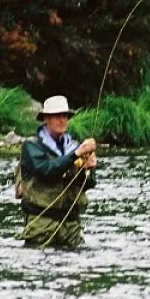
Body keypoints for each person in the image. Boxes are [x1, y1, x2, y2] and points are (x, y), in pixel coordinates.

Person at [17, 95, 97, 249]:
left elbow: (88, 184)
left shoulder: (74, 147)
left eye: (65, 116)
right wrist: (75, 155)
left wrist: (88, 168)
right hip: (41, 224)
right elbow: (47, 171)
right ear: (46, 119)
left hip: (71, 225)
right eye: (56, 116)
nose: (62, 120)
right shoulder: (31, 147)